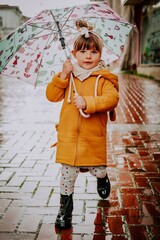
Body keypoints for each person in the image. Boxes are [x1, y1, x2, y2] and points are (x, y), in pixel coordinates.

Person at [46, 20, 119, 230]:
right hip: (69, 139)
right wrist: (62, 75)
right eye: (84, 51)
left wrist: (88, 102)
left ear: (100, 55)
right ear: (74, 53)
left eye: (94, 52)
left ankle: (103, 179)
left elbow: (111, 99)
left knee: (98, 170)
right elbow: (51, 96)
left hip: (92, 139)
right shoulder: (68, 76)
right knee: (67, 177)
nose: (88, 56)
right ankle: (65, 211)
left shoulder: (104, 78)